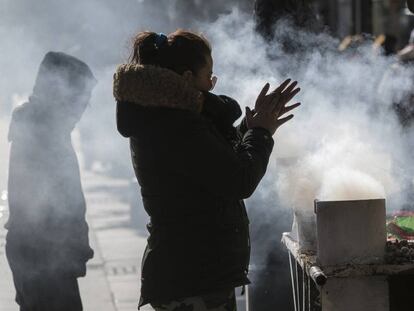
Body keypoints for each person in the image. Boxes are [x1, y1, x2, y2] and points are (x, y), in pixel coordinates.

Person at [114, 30, 301, 310]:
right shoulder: (175, 123)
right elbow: (238, 179)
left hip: (193, 272)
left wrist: (248, 130)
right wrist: (261, 133)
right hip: (192, 275)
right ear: (188, 78)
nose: (211, 84)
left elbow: (212, 164)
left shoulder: (166, 115)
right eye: (208, 75)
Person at [5, 51, 96, 311]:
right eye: (80, 99)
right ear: (60, 93)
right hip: (44, 258)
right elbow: (46, 207)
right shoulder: (42, 133)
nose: (82, 109)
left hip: (42, 257)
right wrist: (72, 247)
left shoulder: (44, 126)